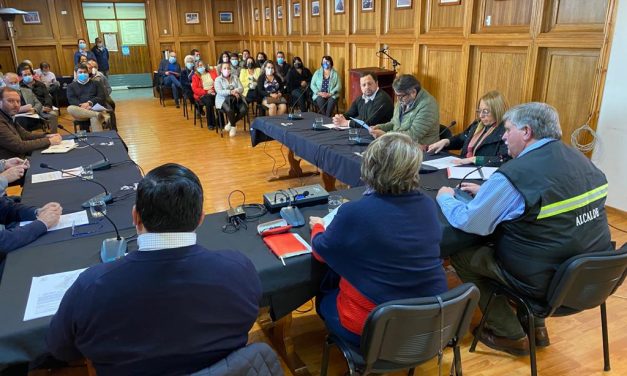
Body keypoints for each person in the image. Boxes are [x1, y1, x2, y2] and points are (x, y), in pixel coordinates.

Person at [47, 163, 262, 375]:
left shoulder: (91, 287)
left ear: (135, 217)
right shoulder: (239, 269)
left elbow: (61, 349)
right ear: (200, 219)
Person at [436, 102, 612, 356]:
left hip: (543, 281)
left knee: (464, 254)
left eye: (508, 129)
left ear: (527, 132)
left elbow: (471, 223)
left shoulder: (515, 174)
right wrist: (492, 194)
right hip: (590, 275)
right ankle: (537, 328)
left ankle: (510, 333)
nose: (504, 136)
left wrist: (445, 197)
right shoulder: (582, 161)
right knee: (543, 237)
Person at [309, 133, 447, 346]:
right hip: (425, 325)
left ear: (370, 167)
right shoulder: (427, 205)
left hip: (375, 328)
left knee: (325, 294)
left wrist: (317, 226)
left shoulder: (354, 212)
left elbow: (320, 251)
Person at [427, 90, 510, 166]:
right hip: (464, 166)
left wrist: (474, 159)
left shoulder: (505, 131)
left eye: (485, 111)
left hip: (480, 171)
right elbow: (462, 138)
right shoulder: (478, 124)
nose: (481, 116)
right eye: (479, 111)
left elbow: (502, 159)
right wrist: (446, 141)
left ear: (497, 111)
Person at [370, 74, 439, 145]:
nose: (398, 99)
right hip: (400, 145)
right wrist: (381, 127)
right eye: (396, 95)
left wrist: (386, 135)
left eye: (400, 96)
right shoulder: (403, 100)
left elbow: (413, 135)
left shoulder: (428, 105)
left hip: (422, 150)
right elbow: (394, 123)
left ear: (413, 92)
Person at [0, 87, 61, 160]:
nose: (16, 105)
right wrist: (48, 141)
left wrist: (47, 136)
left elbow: (25, 135)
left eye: (18, 101)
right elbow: (19, 146)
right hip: (11, 164)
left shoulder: (8, 116)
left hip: (19, 157)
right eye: (10, 101)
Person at [66, 64, 111, 132]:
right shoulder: (71, 86)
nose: (83, 74)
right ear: (76, 73)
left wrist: (89, 103)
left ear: (88, 73)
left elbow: (101, 97)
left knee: (94, 118)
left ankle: (98, 140)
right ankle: (99, 115)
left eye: (85, 72)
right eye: (80, 72)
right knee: (70, 108)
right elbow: (72, 100)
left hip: (95, 108)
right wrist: (82, 106)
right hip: (81, 112)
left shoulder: (96, 83)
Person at [16, 65, 59, 133]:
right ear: (21, 76)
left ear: (32, 74)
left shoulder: (40, 84)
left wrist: (47, 106)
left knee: (53, 115)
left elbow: (47, 96)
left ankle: (54, 134)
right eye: (25, 75)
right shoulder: (19, 87)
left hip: (43, 107)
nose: (28, 76)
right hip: (29, 109)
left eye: (29, 74)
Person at [215, 63, 247, 137]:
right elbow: (219, 91)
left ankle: (231, 122)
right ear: (221, 70)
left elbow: (241, 88)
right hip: (222, 99)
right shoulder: (218, 79)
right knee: (229, 110)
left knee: (244, 110)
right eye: (225, 68)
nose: (227, 70)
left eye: (228, 68)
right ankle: (233, 126)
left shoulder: (235, 77)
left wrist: (235, 91)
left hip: (236, 98)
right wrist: (230, 92)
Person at [191, 60, 218, 129]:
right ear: (196, 68)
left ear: (205, 66)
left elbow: (218, 82)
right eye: (199, 66)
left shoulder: (212, 73)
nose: (201, 67)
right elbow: (195, 89)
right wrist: (206, 91)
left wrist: (213, 90)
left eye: (202, 65)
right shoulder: (195, 76)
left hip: (214, 92)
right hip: (202, 95)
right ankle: (211, 123)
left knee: (219, 99)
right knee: (209, 101)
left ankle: (220, 122)